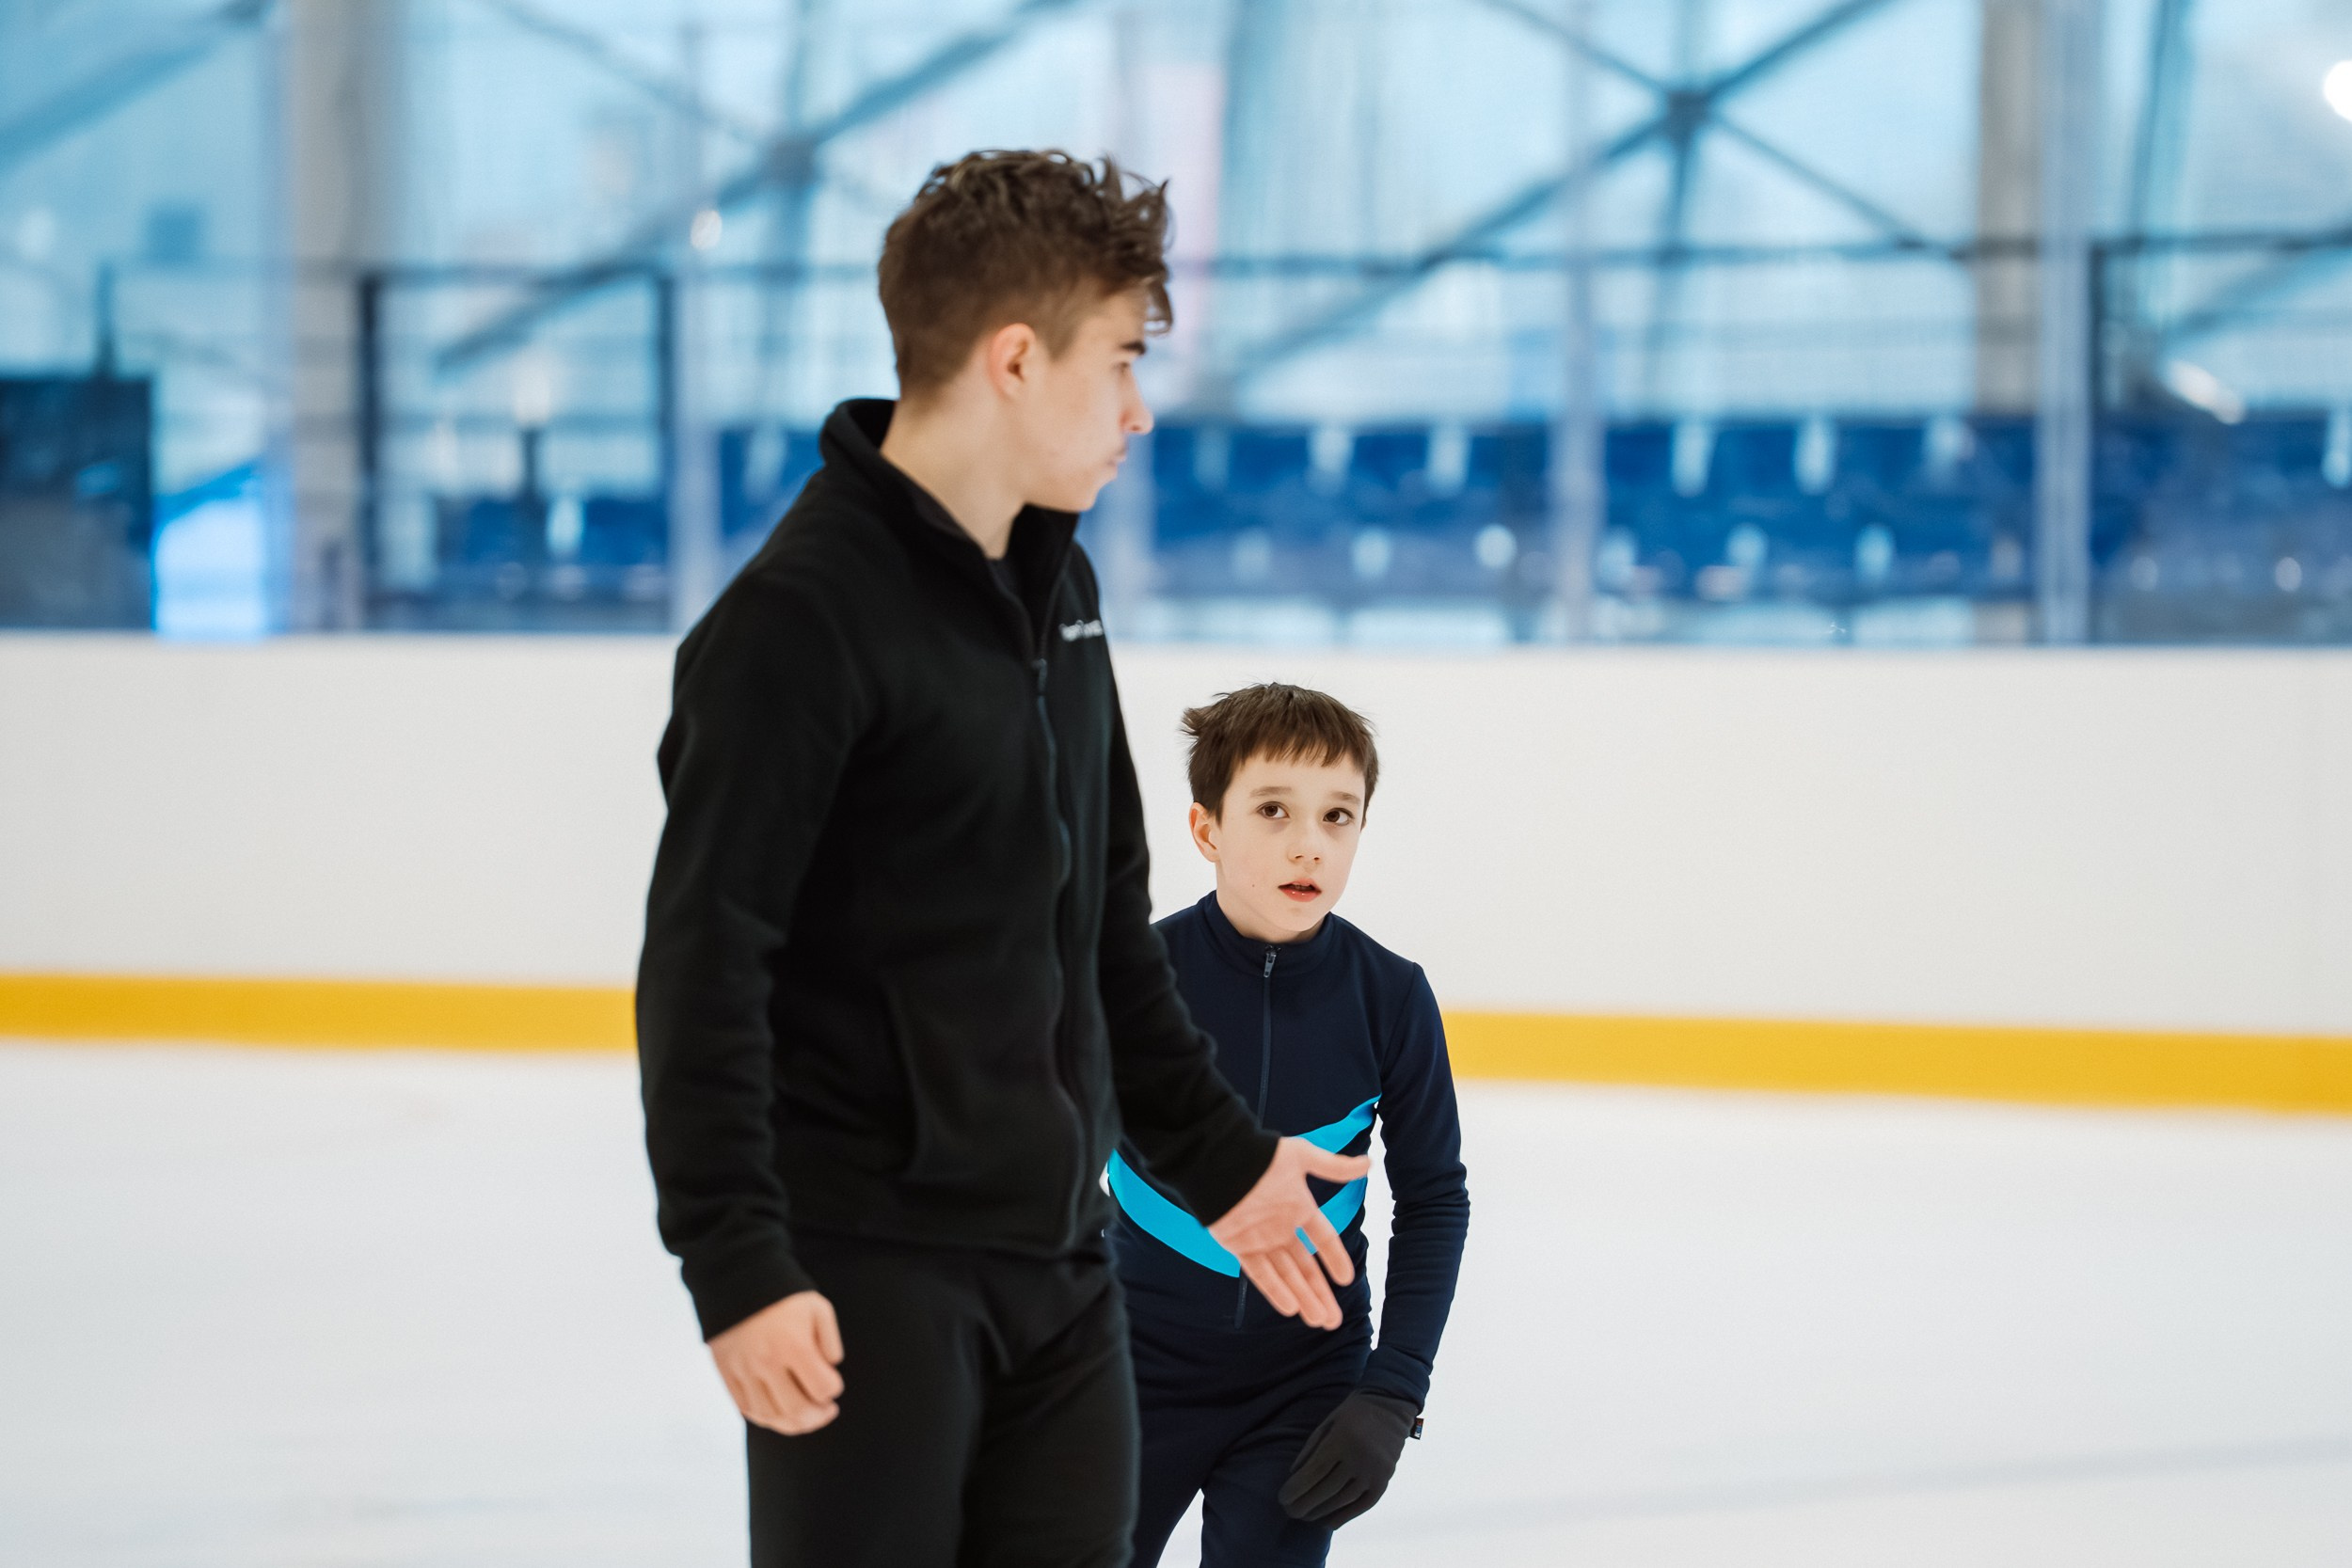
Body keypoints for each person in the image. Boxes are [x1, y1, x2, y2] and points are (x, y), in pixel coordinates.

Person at [634, 151, 1370, 1568]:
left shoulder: (1060, 590)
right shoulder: (797, 625)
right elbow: (707, 963)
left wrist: (1220, 1162)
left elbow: (1100, 927)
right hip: (865, 1280)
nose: (1140, 411)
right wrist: (737, 1260)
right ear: (1017, 358)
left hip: (1061, 1272)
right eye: (1120, 362)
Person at [1113, 684, 1470, 1567]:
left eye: (1337, 815)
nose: (1309, 841)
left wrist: (1392, 1389)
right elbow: (1039, 1168)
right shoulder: (1135, 978)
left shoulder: (1390, 996)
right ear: (1207, 830)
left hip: (1303, 1386)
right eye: (1273, 809)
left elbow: (1433, 1199)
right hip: (1127, 1369)